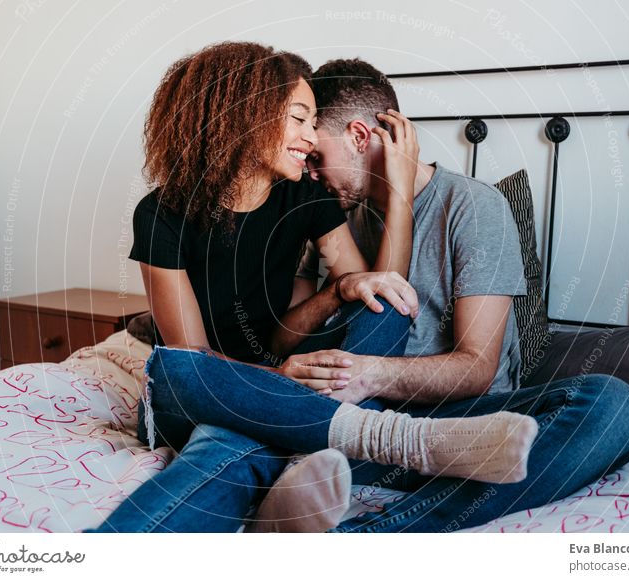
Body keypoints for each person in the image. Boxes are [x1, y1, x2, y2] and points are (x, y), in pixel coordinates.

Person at [87, 43, 539, 534]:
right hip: (228, 388)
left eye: (312, 129)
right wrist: (283, 373)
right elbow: (204, 353)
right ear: (248, 118)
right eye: (298, 121)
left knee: (374, 306)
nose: (307, 147)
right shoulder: (164, 214)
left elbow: (387, 294)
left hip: (307, 404)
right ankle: (384, 437)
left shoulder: (308, 196)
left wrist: (348, 279)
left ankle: (291, 479)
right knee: (177, 370)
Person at [243, 58, 629, 533]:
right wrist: (337, 293)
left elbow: (478, 368)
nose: (309, 171)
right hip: (356, 423)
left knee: (613, 403)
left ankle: (373, 534)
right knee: (245, 413)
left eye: (317, 157)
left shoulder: (472, 207)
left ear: (359, 135)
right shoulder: (333, 221)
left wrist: (368, 373)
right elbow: (284, 341)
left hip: (462, 424)